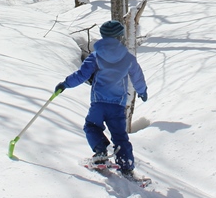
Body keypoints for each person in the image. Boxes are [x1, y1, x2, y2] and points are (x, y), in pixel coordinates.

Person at [56, 19, 148, 174]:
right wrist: (142, 91)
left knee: (92, 126)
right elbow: (137, 76)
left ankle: (100, 152)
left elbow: (82, 75)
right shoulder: (128, 58)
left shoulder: (96, 56)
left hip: (98, 102)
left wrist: (65, 84)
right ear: (121, 37)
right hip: (118, 104)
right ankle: (126, 165)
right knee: (119, 135)